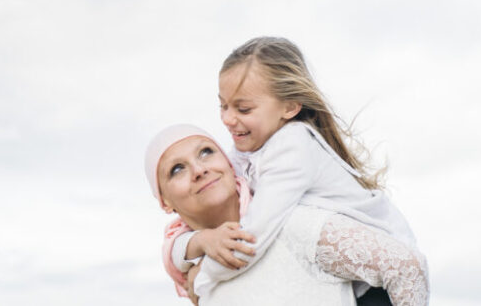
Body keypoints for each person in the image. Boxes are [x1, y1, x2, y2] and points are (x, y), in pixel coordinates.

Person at [162, 37, 429, 304]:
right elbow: (176, 237)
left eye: (243, 109)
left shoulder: (293, 146)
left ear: (289, 107)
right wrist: (199, 242)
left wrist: (204, 276)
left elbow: (253, 238)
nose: (228, 119)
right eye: (223, 105)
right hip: (347, 278)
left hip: (382, 283)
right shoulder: (248, 151)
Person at [145, 124, 429, 306]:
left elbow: (405, 266)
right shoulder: (197, 280)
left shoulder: (292, 224)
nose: (199, 170)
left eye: (206, 152)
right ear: (165, 202)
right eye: (177, 169)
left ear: (231, 165)